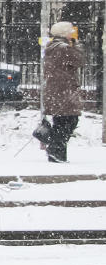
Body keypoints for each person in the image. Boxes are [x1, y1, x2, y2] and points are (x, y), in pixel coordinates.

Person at [41, 20, 84, 163]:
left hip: (56, 90)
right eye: (71, 31)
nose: (73, 33)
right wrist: (76, 44)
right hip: (64, 91)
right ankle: (55, 150)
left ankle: (56, 153)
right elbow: (79, 61)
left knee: (61, 121)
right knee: (69, 121)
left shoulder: (54, 46)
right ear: (64, 33)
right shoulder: (64, 48)